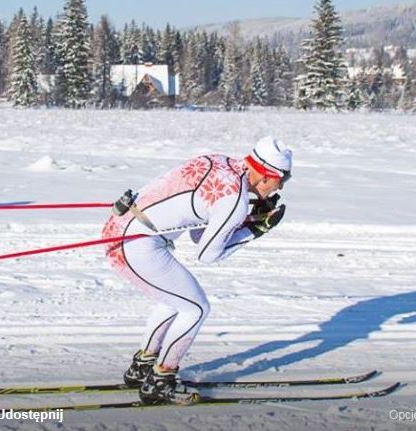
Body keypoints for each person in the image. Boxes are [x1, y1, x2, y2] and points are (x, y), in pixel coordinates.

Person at [101, 136, 293, 405]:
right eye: (282, 180)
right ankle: (160, 381)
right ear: (266, 175)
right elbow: (207, 254)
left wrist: (245, 218)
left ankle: (142, 367)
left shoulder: (218, 161)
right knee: (196, 308)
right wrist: (254, 230)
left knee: (174, 300)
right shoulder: (235, 200)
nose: (280, 187)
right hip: (135, 245)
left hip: (120, 228)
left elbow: (199, 232)